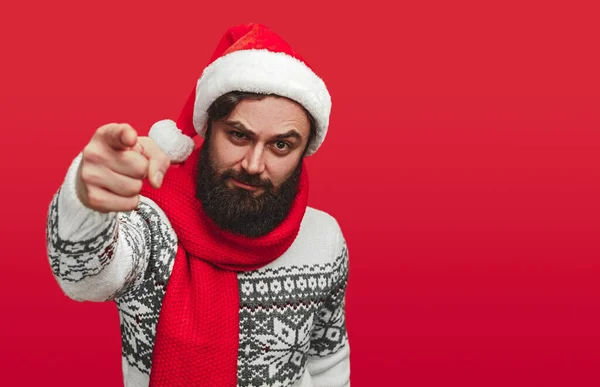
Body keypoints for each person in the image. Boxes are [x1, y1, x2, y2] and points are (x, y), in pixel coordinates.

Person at [46, 23, 350, 387]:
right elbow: (81, 275)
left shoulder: (325, 238)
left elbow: (327, 357)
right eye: (239, 135)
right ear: (208, 129)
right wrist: (87, 195)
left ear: (304, 152)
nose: (253, 165)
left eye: (281, 145)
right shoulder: (151, 225)